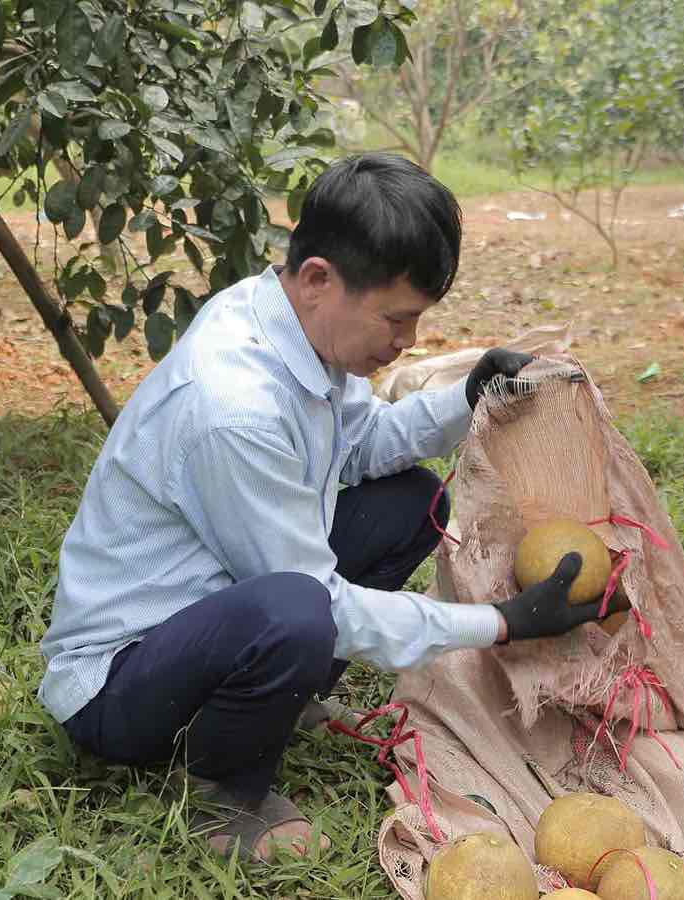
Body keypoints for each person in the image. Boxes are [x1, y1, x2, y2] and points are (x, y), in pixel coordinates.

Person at [37, 152, 604, 864]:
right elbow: (323, 604)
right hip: (119, 687)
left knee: (409, 502)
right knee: (298, 611)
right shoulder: (234, 406)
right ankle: (220, 791)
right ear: (316, 279)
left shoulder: (291, 326)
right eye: (397, 318)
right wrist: (499, 624)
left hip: (207, 615)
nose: (409, 342)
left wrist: (465, 398)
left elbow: (363, 446)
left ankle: (274, 704)